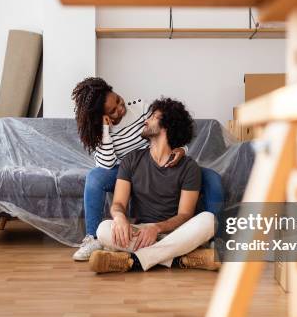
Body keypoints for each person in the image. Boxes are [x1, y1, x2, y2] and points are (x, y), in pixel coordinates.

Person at [71, 77, 223, 261]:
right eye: (113, 110)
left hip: (160, 158)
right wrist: (105, 131)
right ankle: (93, 239)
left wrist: (181, 149)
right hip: (127, 167)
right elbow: (106, 165)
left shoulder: (142, 109)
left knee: (212, 179)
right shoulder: (99, 131)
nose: (120, 108)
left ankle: (133, 260)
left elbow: (168, 126)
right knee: (96, 180)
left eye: (119, 100)